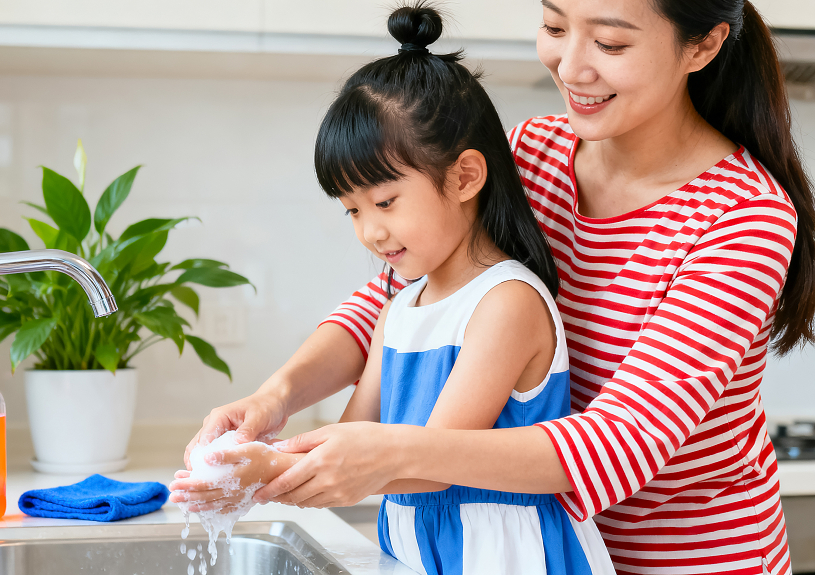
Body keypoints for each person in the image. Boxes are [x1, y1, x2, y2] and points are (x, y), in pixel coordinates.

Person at [178, 0, 815, 573]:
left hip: (687, 558)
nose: (571, 66)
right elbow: (393, 300)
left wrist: (394, 452)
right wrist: (277, 396)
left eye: (610, 45)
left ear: (702, 46)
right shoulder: (531, 153)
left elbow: (623, 439)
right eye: (554, 26)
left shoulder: (742, 217)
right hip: (529, 551)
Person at [172, 5, 616, 573]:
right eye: (352, 210)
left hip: (503, 554)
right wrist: (252, 457)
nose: (370, 231)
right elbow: (353, 437)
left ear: (465, 177)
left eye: (385, 203)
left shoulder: (506, 303)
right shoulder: (399, 308)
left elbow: (436, 459)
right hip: (418, 546)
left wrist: (267, 472)